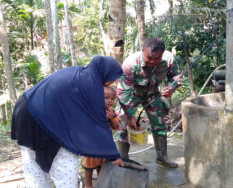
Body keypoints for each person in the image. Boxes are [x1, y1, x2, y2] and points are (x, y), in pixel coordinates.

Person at [11, 56, 124, 188]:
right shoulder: (92, 88)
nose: (114, 80)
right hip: (40, 117)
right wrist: (113, 155)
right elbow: (99, 124)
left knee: (34, 168)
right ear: (104, 73)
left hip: (25, 110)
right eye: (113, 76)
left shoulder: (77, 72)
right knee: (64, 167)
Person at [115, 38, 181, 168]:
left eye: (157, 59)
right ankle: (123, 160)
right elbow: (123, 94)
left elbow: (176, 77)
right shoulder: (130, 64)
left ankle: (162, 157)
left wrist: (171, 88)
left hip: (152, 95)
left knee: (160, 125)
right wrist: (130, 116)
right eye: (149, 58)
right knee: (122, 124)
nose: (153, 62)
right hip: (131, 95)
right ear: (142, 51)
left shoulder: (169, 59)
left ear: (162, 54)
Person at [81, 86, 119, 188]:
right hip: (91, 144)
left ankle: (100, 182)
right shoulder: (92, 111)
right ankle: (88, 185)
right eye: (106, 98)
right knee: (89, 165)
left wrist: (111, 119)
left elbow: (116, 127)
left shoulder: (112, 112)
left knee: (102, 164)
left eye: (112, 98)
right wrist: (103, 118)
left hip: (105, 144)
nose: (110, 101)